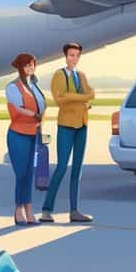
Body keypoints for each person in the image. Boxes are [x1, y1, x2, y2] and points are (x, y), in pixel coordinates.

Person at [40, 42, 94, 223]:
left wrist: (80, 98)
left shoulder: (81, 75)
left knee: (77, 170)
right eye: (71, 55)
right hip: (66, 126)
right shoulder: (59, 75)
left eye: (77, 55)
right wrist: (83, 98)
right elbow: (60, 99)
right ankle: (47, 209)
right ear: (65, 56)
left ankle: (74, 210)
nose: (74, 58)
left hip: (82, 125)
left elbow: (91, 94)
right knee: (62, 167)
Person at [5, 53, 46, 226]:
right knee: (21, 174)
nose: (30, 68)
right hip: (18, 134)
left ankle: (29, 211)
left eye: (32, 65)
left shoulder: (34, 85)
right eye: (27, 65)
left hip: (33, 134)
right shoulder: (13, 87)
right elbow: (19, 108)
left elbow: (42, 105)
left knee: (29, 175)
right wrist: (35, 115)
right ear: (20, 67)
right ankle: (18, 210)